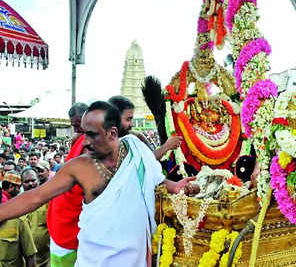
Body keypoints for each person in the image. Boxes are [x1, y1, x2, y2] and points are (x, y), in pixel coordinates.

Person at [0, 101, 196, 266]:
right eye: (84, 133)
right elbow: (36, 197)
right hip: (94, 260)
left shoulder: (136, 150)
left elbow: (157, 179)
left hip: (134, 258)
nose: (84, 141)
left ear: (112, 133)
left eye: (91, 134)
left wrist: (175, 186)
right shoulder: (79, 167)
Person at [46, 102, 88, 267]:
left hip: (65, 227)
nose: (77, 131)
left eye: (79, 126)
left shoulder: (88, 142)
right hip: (64, 228)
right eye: (75, 126)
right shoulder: (82, 142)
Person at [108, 95, 183, 160]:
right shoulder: (103, 145)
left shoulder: (135, 137)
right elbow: (142, 163)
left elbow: (149, 156)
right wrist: (167, 146)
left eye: (131, 119)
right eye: (128, 119)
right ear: (114, 119)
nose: (132, 124)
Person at [0, 171, 37, 267]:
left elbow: (30, 257)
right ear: (11, 187)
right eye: (18, 187)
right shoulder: (8, 204)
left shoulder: (17, 219)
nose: (19, 190)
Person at [21, 168, 50, 267]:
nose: (30, 184)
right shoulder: (17, 205)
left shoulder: (48, 201)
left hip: (46, 260)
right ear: (22, 184)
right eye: (26, 181)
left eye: (33, 180)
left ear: (38, 180)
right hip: (24, 261)